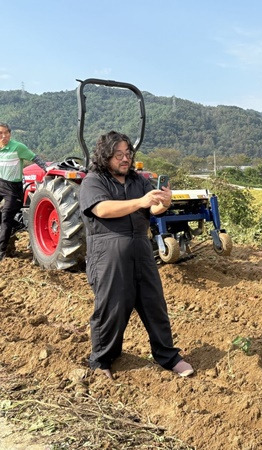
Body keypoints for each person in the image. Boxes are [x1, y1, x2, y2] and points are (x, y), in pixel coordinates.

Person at [79, 130, 193, 380]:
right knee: (112, 308)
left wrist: (163, 201)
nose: (124, 159)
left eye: (127, 153)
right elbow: (102, 208)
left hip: (141, 248)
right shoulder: (93, 180)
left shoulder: (138, 180)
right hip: (108, 252)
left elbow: (154, 208)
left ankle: (168, 356)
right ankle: (102, 360)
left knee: (154, 304)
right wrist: (141, 202)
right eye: (118, 154)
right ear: (105, 156)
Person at [0, 122, 47, 261]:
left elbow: (35, 158)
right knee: (5, 219)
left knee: (6, 218)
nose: (3, 136)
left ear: (10, 134)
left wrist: (47, 169)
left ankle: (1, 252)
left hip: (13, 188)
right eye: (0, 133)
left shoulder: (18, 147)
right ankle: (17, 225)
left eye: (6, 133)